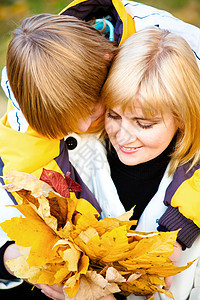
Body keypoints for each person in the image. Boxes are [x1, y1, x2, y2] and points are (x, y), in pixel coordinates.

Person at [0, 13, 117, 300]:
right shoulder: (25, 127)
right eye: (64, 124)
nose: (81, 127)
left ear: (106, 59)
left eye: (90, 109)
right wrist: (11, 255)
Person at [100, 27, 200, 300]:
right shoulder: (76, 155)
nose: (122, 136)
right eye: (114, 115)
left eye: (144, 123)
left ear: (182, 116)